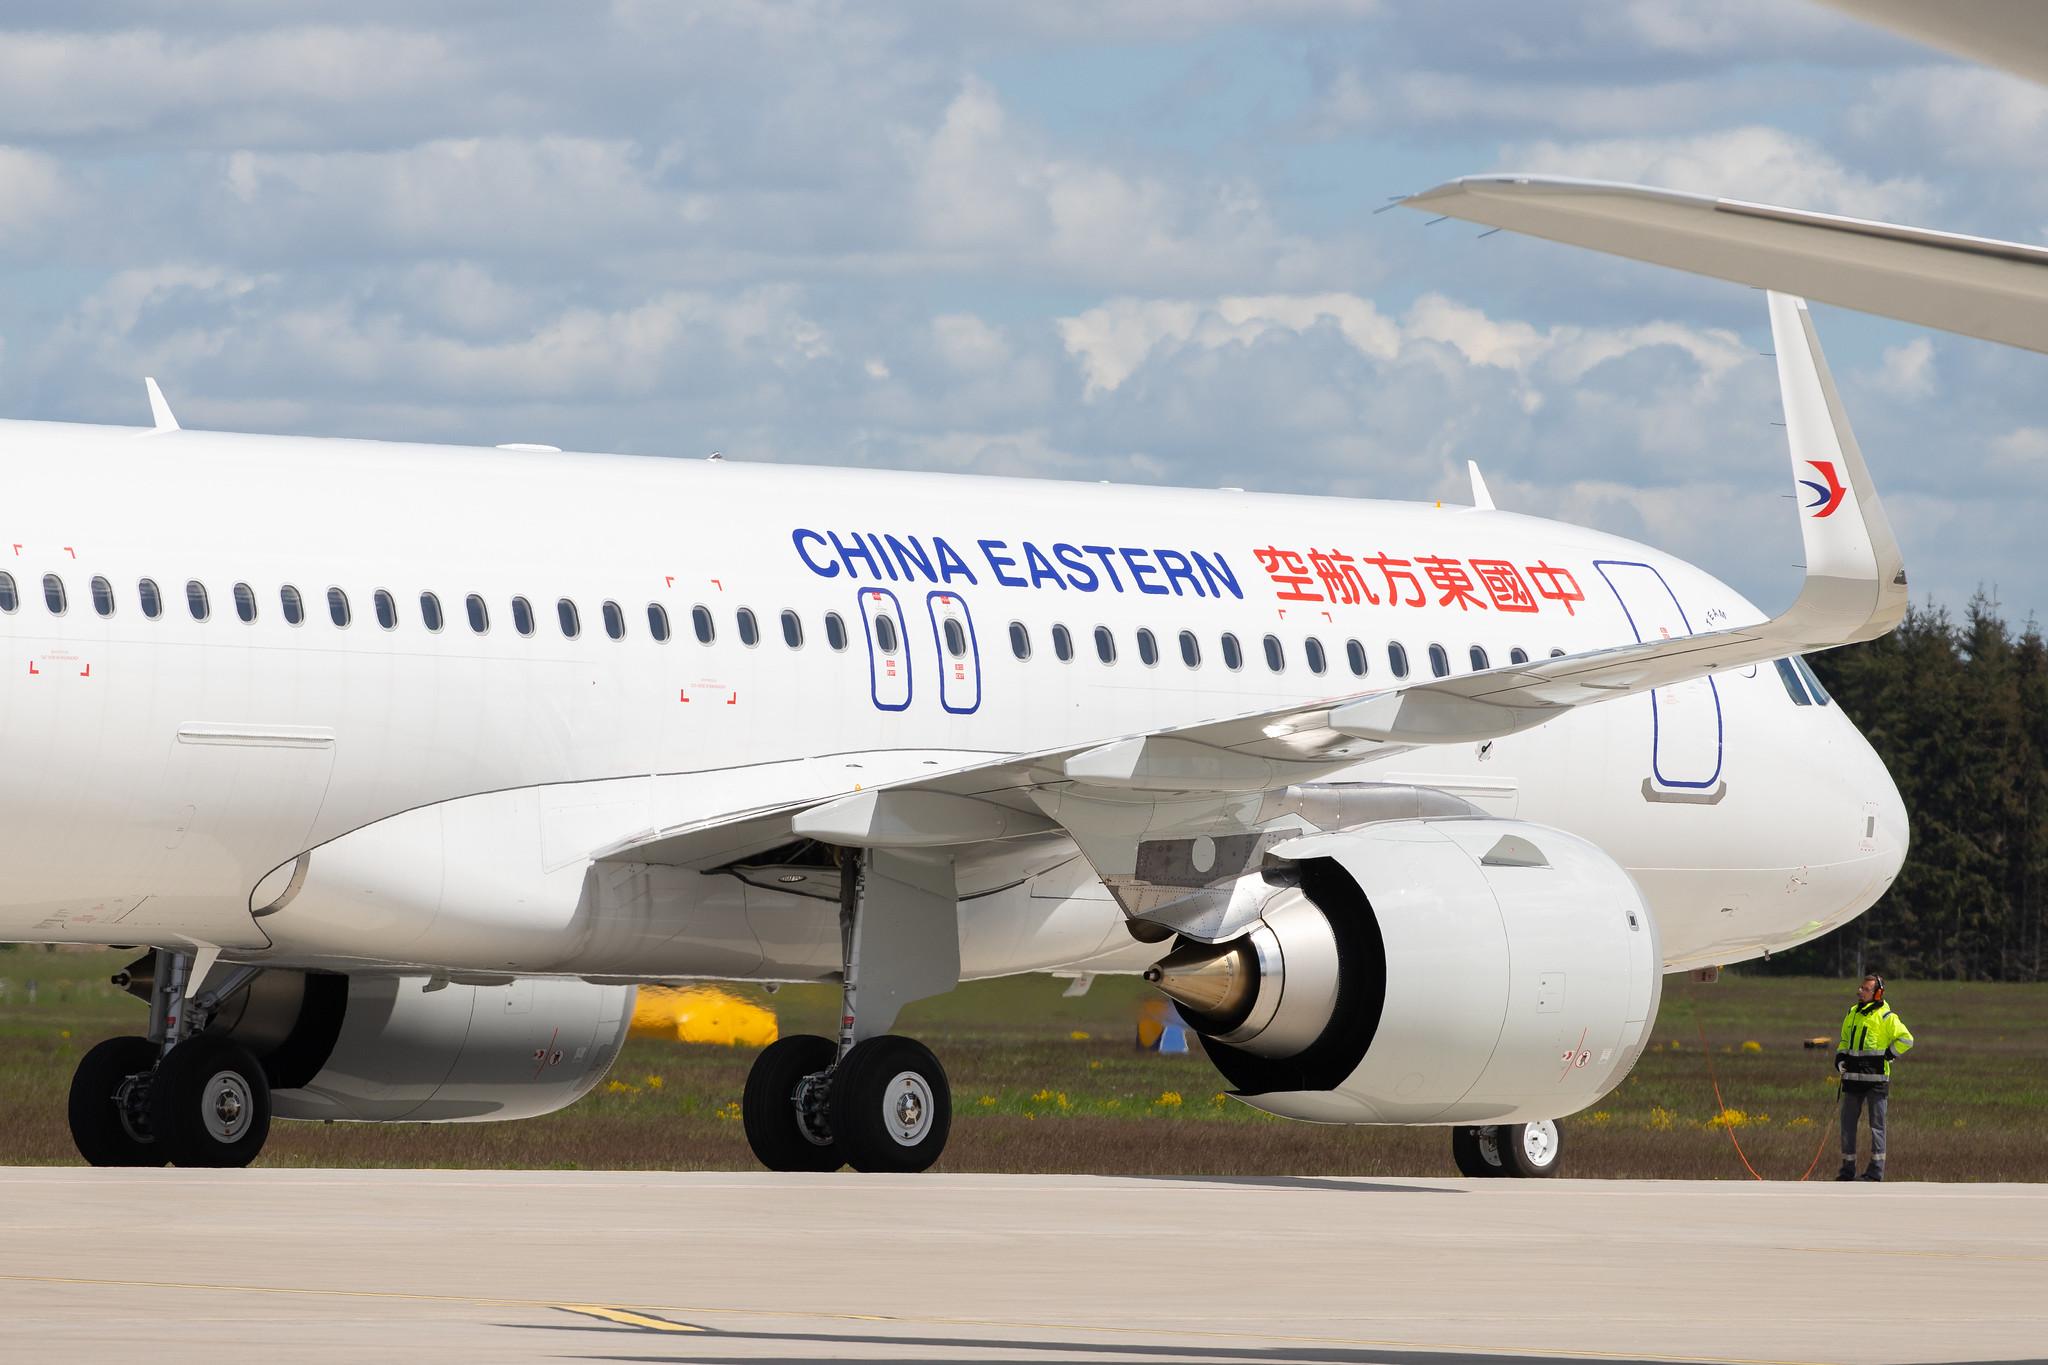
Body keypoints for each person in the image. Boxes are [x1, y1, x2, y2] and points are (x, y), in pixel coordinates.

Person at [1835, 974, 1913, 1182]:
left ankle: (1876, 1170)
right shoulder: (1852, 1013)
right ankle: (1847, 1170)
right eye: (1860, 988)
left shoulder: (1887, 1017)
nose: (1860, 992)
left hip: (1876, 1082)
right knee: (1847, 1124)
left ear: (1877, 993)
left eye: (1865, 989)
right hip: (1852, 1080)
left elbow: (1907, 1039)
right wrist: (1840, 1058)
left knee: (1877, 1126)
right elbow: (1844, 1039)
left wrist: (1890, 1054)